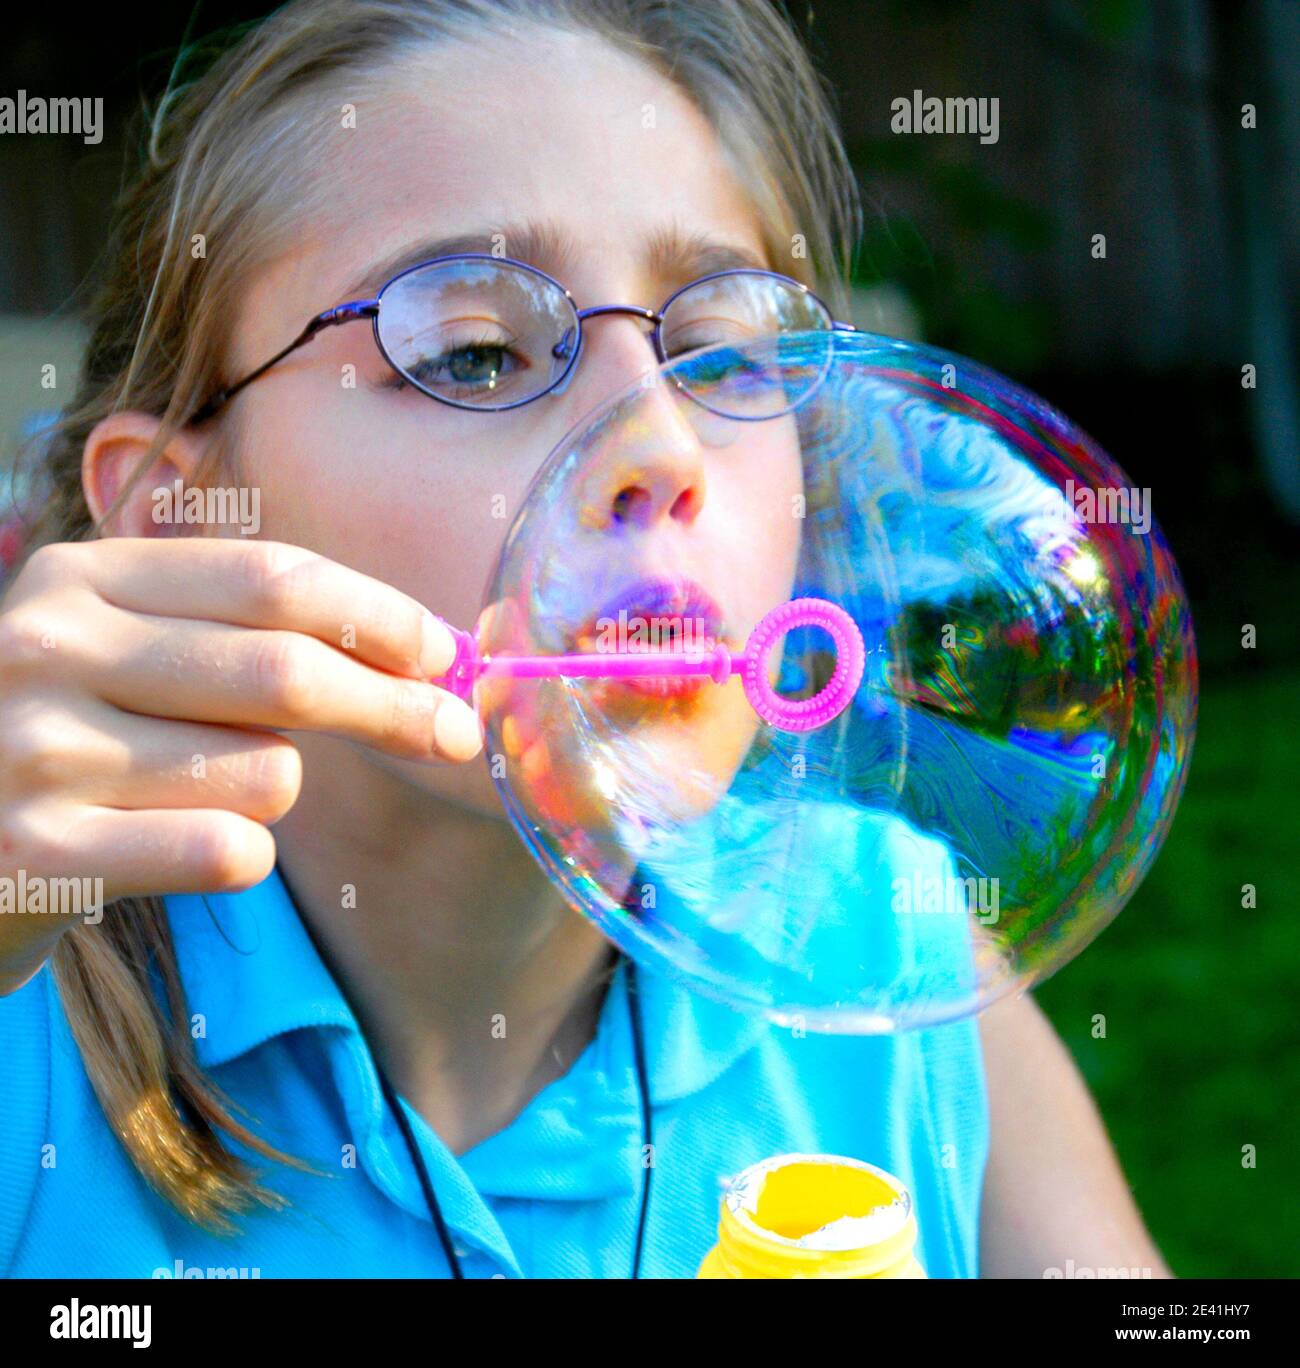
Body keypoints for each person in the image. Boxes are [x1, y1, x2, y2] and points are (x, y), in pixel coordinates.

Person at [0, 0, 1170, 1278]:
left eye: (722, 356)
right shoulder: (26, 1013)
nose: (660, 447)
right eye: (480, 353)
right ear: (180, 520)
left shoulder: (886, 957)